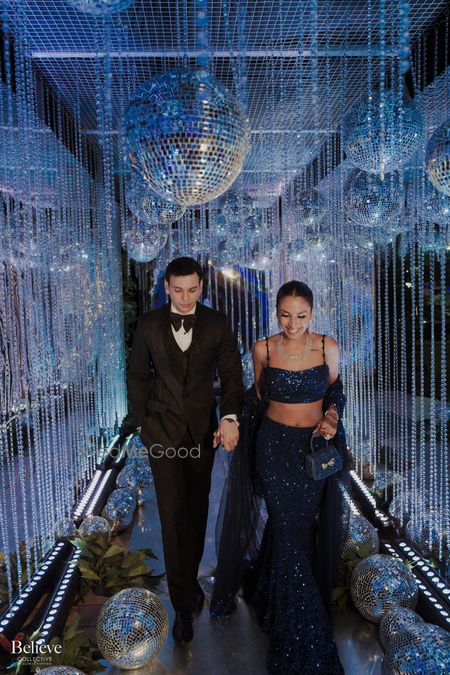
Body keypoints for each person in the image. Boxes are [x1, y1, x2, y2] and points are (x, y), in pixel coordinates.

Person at [211, 280, 350, 674]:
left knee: (299, 531)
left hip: (311, 451)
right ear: (276, 313)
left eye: (301, 315)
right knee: (288, 531)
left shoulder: (327, 346)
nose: (293, 323)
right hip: (273, 449)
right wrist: (231, 423)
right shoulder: (264, 349)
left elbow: (336, 390)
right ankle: (299, 633)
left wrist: (332, 415)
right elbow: (257, 396)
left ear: (313, 313)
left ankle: (271, 597)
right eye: (285, 315)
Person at [127, 257, 243, 644]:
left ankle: (189, 580)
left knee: (195, 516)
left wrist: (229, 418)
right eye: (178, 290)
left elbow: (232, 376)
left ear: (202, 287)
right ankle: (180, 606)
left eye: (192, 290)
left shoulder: (217, 323)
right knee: (172, 517)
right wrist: (142, 424)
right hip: (161, 434)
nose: (185, 297)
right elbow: (137, 375)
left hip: (201, 435)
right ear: (166, 287)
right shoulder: (147, 325)